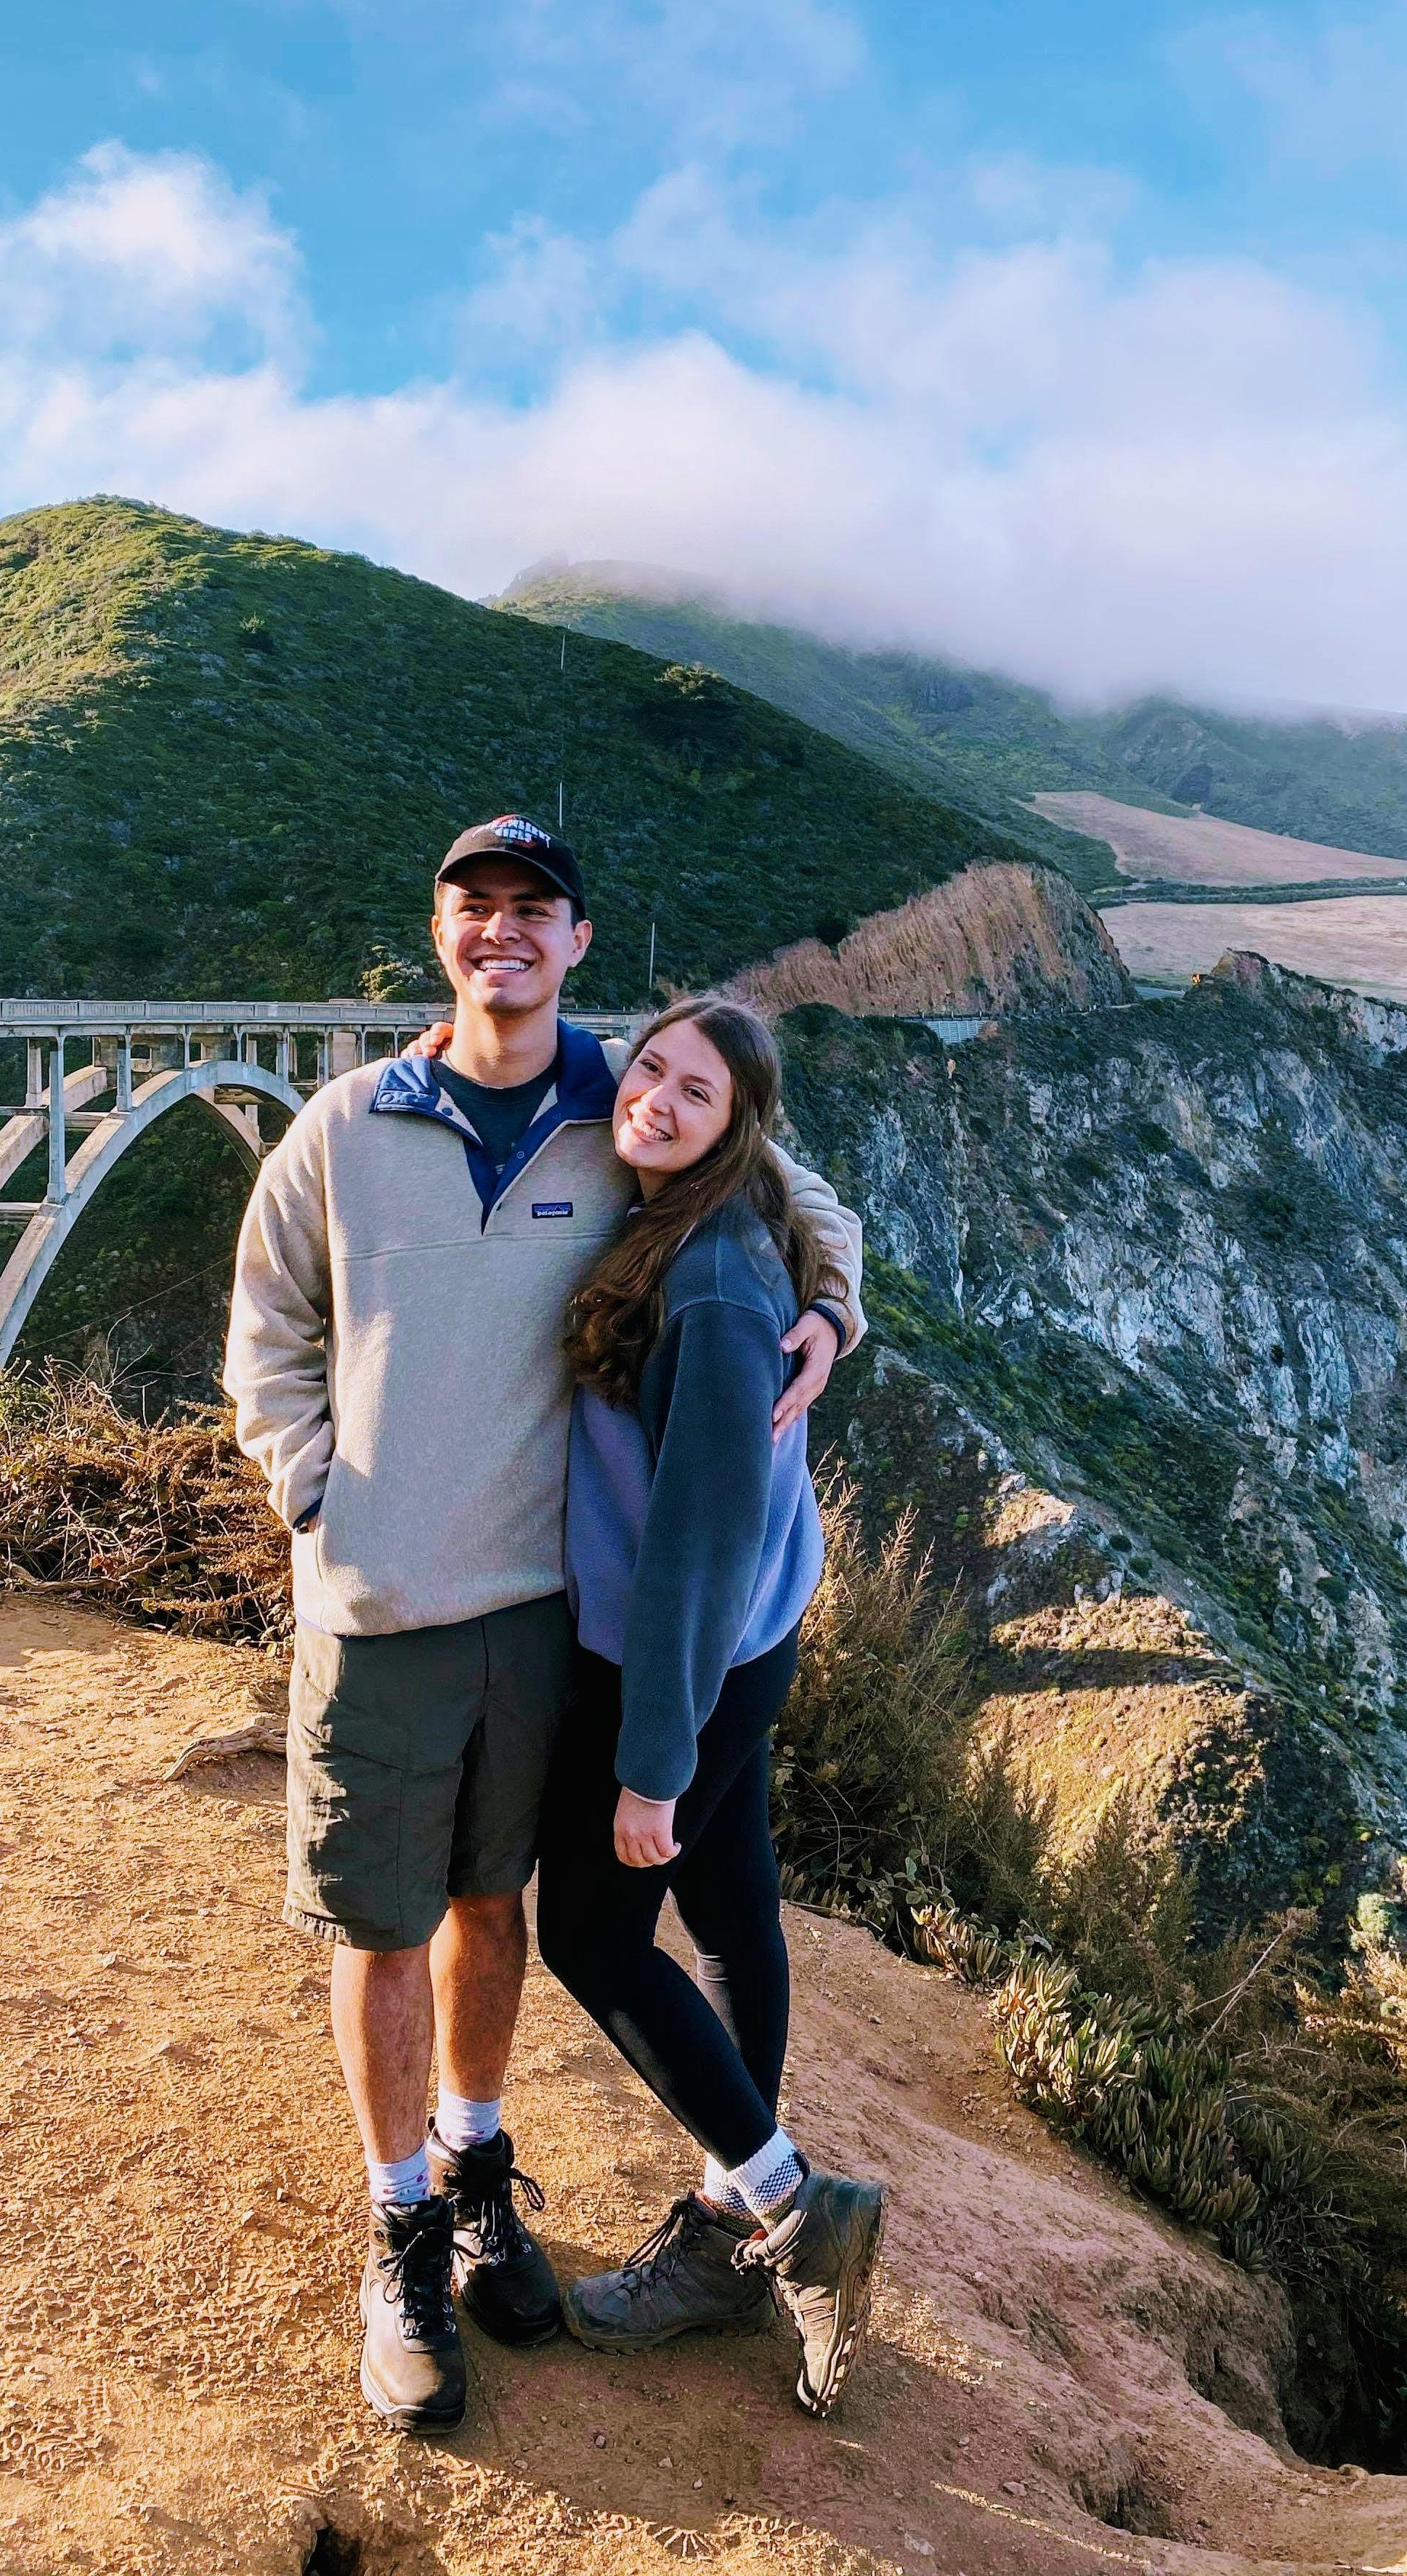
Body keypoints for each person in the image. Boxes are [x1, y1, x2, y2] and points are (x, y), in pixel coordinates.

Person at [222, 818, 867, 2437]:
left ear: (577, 941)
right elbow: (264, 1330)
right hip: (380, 1610)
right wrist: (321, 1494)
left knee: (501, 1910)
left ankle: (479, 2162)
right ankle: (402, 2231)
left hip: (547, 1616)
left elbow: (804, 1204)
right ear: (437, 933)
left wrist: (833, 1311)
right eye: (473, 907)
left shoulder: (621, 1102)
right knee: (380, 1928)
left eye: (535, 910)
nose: (502, 931)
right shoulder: (347, 1125)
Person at [531, 995, 888, 2421]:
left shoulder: (724, 1286)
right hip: (749, 1633)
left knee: (594, 1931)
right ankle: (732, 2235)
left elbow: (695, 1539)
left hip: (688, 1646)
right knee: (736, 1907)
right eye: (651, 1072)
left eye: (698, 1090)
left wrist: (651, 1766)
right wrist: (840, 1304)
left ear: (740, 1127)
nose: (660, 1101)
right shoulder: (700, 1202)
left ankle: (790, 2211)